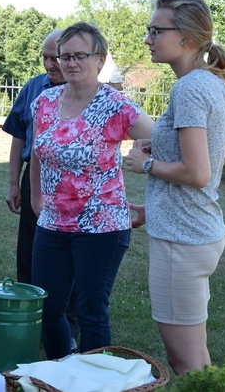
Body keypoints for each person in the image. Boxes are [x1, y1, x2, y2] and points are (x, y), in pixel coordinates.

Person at [125, 0, 225, 376]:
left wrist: (146, 163)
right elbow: (216, 157)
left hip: (183, 240)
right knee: (197, 359)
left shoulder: (189, 87)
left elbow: (197, 173)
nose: (148, 38)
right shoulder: (215, 83)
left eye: (156, 31)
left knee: (185, 362)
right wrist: (153, 206)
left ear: (186, 38)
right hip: (194, 232)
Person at [29, 22, 153, 359]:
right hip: (52, 225)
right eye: (64, 56)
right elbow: (39, 152)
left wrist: (145, 160)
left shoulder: (116, 106)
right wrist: (36, 199)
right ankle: (59, 373)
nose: (70, 63)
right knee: (47, 310)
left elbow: (164, 141)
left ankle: (94, 382)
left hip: (102, 227)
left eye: (80, 55)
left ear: (99, 59)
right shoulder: (44, 102)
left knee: (91, 311)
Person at [2, 29, 80, 348]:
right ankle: (30, 316)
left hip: (72, 185)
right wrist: (13, 183)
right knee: (30, 251)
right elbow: (19, 136)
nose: (49, 63)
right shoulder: (34, 87)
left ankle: (69, 325)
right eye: (45, 57)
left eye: (55, 57)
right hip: (33, 180)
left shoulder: (85, 91)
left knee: (70, 252)